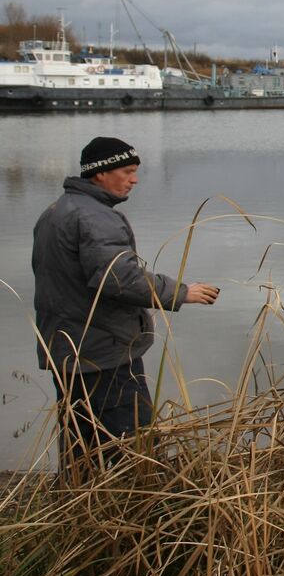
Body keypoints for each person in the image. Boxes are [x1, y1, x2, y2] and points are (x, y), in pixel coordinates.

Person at [31, 136, 219, 475]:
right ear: (101, 174)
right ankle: (141, 514)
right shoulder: (96, 218)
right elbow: (117, 278)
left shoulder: (56, 211)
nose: (134, 179)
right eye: (128, 171)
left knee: (80, 441)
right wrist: (180, 292)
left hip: (68, 348)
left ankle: (77, 511)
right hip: (104, 351)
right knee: (135, 444)